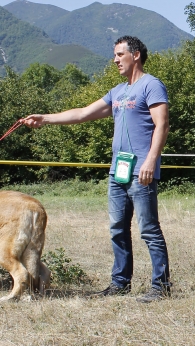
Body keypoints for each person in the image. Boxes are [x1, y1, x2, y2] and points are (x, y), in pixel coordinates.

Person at [22, 36, 171, 303]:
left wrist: (150, 161)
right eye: (114, 55)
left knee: (148, 229)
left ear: (135, 55)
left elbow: (163, 125)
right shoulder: (117, 91)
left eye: (119, 54)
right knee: (117, 228)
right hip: (118, 171)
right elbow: (82, 114)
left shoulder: (152, 85)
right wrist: (44, 118)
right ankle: (120, 283)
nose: (115, 60)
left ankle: (161, 286)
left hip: (141, 171)